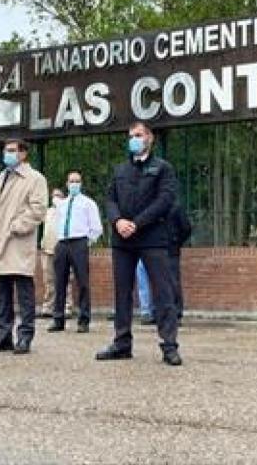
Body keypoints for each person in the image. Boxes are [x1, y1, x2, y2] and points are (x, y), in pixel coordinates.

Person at [97, 121, 182, 366]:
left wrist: (137, 223)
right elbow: (110, 199)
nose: (134, 139)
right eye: (131, 135)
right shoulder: (120, 169)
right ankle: (122, 343)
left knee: (163, 292)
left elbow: (165, 200)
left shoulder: (163, 168)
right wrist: (117, 221)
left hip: (152, 238)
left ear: (150, 138)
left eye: (139, 135)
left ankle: (169, 346)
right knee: (122, 292)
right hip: (122, 239)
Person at [0, 138, 48, 355]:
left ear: (23, 154)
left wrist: (16, 226)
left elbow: (38, 210)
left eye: (11, 150)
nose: (7, 154)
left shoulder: (35, 178)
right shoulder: (1, 177)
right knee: (2, 291)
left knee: (24, 291)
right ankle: (3, 335)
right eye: (5, 150)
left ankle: (25, 336)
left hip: (18, 241)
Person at [48, 171, 103, 334]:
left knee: (82, 282)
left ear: (81, 184)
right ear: (66, 184)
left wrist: (87, 241)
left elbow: (96, 227)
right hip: (63, 242)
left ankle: (84, 319)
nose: (74, 184)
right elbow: (57, 223)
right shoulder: (62, 204)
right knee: (59, 282)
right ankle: (58, 318)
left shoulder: (88, 203)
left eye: (77, 181)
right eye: (71, 181)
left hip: (79, 241)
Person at [40, 188, 72, 319]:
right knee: (48, 280)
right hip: (47, 249)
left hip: (62, 248)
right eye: (54, 196)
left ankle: (67, 307)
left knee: (66, 279)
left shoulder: (66, 211)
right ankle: (48, 306)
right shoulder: (47, 212)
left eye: (58, 196)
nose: (55, 198)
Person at [166, 201, 192, 321]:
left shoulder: (175, 207)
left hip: (171, 249)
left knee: (173, 281)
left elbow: (186, 228)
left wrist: (176, 241)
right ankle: (162, 312)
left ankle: (176, 312)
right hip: (157, 249)